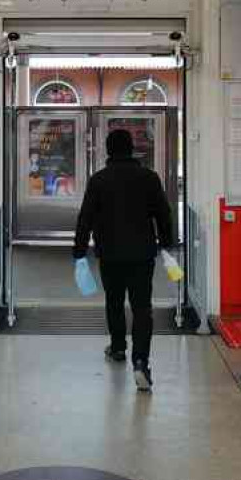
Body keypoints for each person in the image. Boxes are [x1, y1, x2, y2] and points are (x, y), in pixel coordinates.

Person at [73, 128, 177, 391]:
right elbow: (163, 214)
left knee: (114, 301)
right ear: (131, 149)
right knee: (142, 307)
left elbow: (85, 217)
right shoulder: (149, 178)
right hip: (142, 254)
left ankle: (118, 347)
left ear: (108, 150)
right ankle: (141, 362)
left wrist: (79, 250)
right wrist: (167, 244)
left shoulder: (98, 180)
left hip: (110, 253)